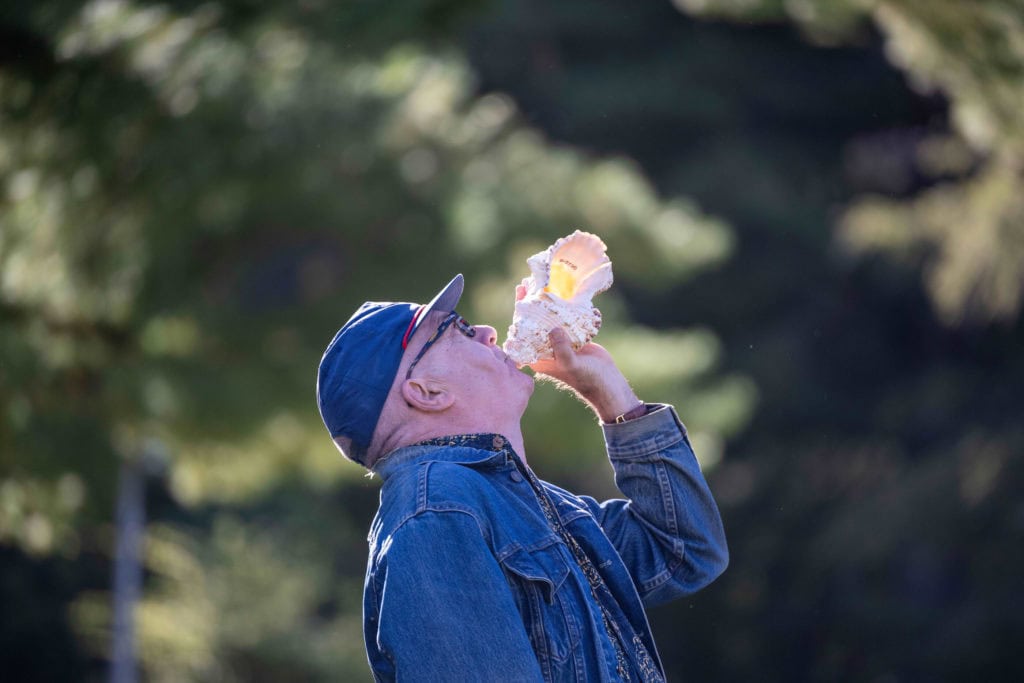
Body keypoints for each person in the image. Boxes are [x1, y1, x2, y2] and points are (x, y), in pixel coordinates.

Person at [316, 273, 728, 682]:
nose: (487, 332)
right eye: (455, 328)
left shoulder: (507, 499)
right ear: (425, 392)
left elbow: (684, 551)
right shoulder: (437, 512)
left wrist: (613, 398)